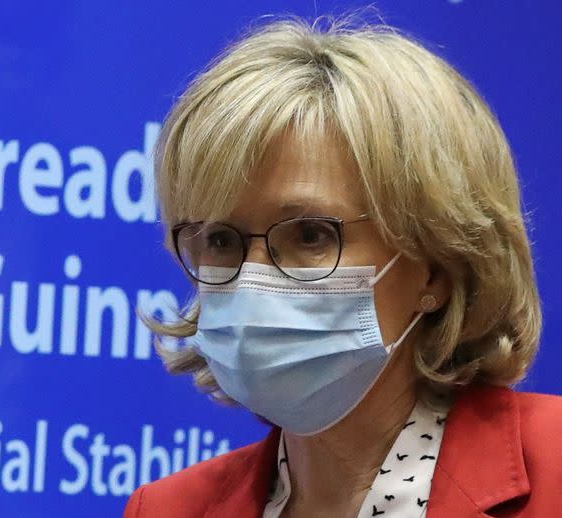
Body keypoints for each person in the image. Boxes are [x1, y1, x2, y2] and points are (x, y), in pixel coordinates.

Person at [125, 13, 562, 518]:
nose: (252, 279)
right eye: (222, 240)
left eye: (310, 235)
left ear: (436, 268)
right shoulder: (165, 509)